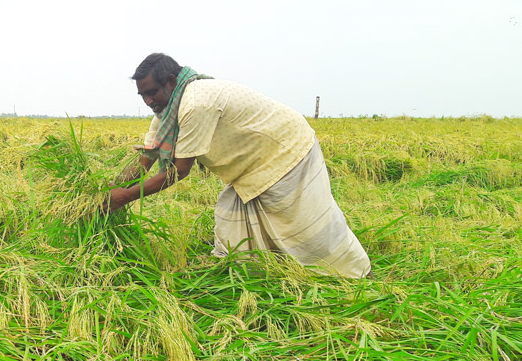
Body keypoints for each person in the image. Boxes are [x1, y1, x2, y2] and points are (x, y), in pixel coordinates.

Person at [106, 53, 371, 278]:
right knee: (231, 216)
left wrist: (124, 197)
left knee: (306, 227)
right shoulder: (167, 112)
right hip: (251, 167)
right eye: (143, 95)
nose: (148, 101)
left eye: (151, 93)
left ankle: (354, 272)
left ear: (171, 82)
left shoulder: (197, 103)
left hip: (285, 152)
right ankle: (254, 273)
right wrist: (111, 188)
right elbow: (147, 158)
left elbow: (178, 171)